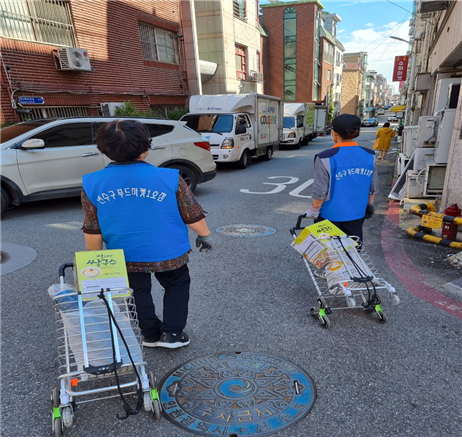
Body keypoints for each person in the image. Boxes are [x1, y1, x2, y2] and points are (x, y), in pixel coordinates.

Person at [81, 120, 212, 349]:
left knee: (137, 291)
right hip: (170, 250)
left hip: (124, 253)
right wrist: (204, 235)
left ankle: (150, 334)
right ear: (146, 148)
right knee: (177, 285)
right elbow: (191, 214)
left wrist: (95, 259)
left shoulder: (92, 183)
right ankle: (172, 334)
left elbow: (93, 226)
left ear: (104, 149)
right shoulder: (169, 178)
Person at [304, 113, 378, 247]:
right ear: (358, 132)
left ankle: (332, 268)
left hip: (330, 215)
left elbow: (320, 190)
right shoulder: (370, 155)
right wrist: (370, 203)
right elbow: (373, 185)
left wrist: (314, 209)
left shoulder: (325, 157)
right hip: (357, 213)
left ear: (333, 133)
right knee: (352, 250)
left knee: (329, 250)